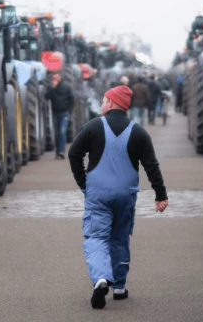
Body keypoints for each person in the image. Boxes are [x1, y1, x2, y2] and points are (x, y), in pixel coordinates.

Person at [68, 85, 168, 309]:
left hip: (98, 194)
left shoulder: (93, 126)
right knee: (121, 237)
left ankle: (101, 278)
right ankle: (120, 287)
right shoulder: (139, 132)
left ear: (111, 103)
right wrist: (160, 195)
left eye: (104, 101)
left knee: (96, 236)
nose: (102, 105)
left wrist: (83, 183)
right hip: (126, 195)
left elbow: (74, 153)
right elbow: (151, 166)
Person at [45, 72, 74, 159]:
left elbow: (71, 99)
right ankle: (58, 151)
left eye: (57, 77)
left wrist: (69, 111)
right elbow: (46, 97)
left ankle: (61, 151)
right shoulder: (51, 88)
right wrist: (53, 88)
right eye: (54, 78)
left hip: (64, 113)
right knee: (57, 133)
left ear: (60, 77)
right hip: (55, 113)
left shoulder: (66, 87)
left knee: (62, 131)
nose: (56, 79)